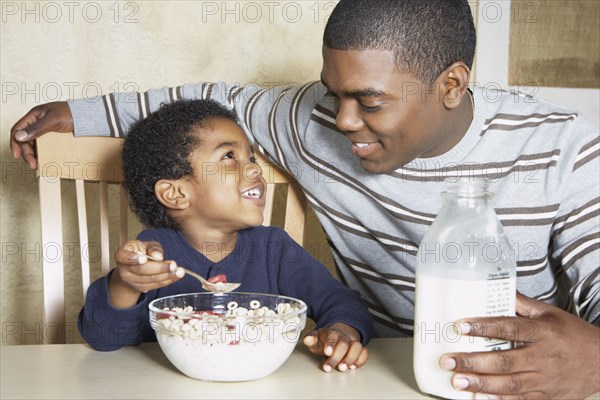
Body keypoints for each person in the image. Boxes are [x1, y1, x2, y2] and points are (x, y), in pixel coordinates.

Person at [10, 0, 599, 398]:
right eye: (332, 92)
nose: (340, 120)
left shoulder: (564, 146)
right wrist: (71, 113)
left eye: (368, 102)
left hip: (509, 379)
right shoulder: (311, 118)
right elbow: (211, 101)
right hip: (379, 373)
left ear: (451, 84)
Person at [77, 98, 373, 372]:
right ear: (175, 193)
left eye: (252, 158)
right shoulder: (155, 256)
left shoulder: (273, 249)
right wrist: (126, 284)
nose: (255, 171)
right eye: (229, 156)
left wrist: (342, 332)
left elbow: (341, 301)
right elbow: (103, 338)